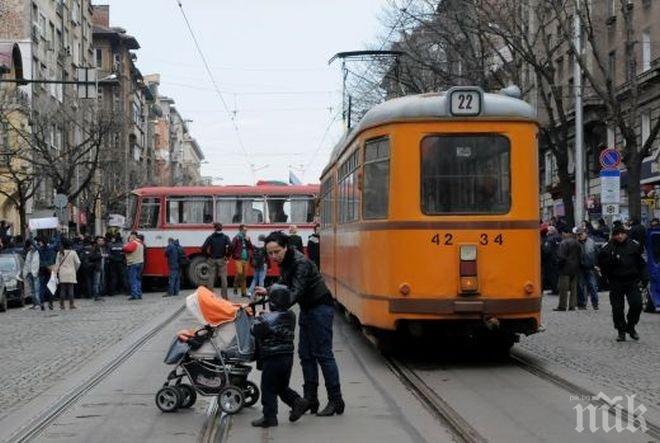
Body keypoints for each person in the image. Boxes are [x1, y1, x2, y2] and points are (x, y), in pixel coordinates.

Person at [255, 231, 344, 417]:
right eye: (269, 253)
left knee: (323, 354)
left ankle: (336, 400)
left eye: (276, 252)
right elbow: (283, 283)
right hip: (308, 309)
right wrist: (269, 290)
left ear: (286, 247)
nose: (273, 256)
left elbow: (294, 292)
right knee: (306, 355)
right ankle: (310, 398)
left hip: (320, 308)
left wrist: (272, 310)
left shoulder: (300, 263)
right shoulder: (286, 262)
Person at [250, 284, 310, 428]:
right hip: (287, 357)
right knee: (281, 386)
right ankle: (297, 401)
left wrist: (257, 318)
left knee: (268, 387)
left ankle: (269, 417)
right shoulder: (291, 315)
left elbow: (255, 331)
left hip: (272, 357)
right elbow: (277, 321)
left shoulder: (266, 320)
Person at [598, 225, 648, 341]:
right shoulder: (608, 247)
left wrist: (645, 277)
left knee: (637, 304)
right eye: (617, 234)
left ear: (626, 234)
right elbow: (601, 264)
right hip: (615, 281)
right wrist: (612, 261)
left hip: (631, 281)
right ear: (613, 235)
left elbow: (642, 264)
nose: (620, 236)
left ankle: (631, 326)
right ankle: (621, 330)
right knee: (617, 309)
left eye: (622, 233)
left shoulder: (634, 245)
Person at [553, 229, 582, 311]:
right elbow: (580, 255)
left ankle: (562, 305)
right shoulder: (577, 243)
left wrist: (559, 266)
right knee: (574, 289)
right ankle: (572, 305)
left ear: (566, 233)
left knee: (563, 289)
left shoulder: (564, 243)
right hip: (575, 268)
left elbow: (560, 257)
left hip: (565, 268)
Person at [201, 223, 231, 298]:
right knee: (224, 278)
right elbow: (231, 246)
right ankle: (224, 297)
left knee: (211, 278)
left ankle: (211, 296)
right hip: (222, 259)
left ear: (214, 229)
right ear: (222, 228)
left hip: (212, 259)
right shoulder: (225, 237)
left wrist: (208, 256)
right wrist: (227, 256)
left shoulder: (211, 237)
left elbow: (203, 248)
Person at [53, 238, 81, 310]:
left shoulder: (59, 253)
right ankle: (71, 304)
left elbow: (57, 264)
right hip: (71, 272)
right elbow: (78, 262)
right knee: (71, 289)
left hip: (62, 272)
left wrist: (55, 272)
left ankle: (62, 305)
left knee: (62, 289)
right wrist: (75, 269)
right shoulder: (73, 252)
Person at [576, 228, 599, 310]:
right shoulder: (576, 243)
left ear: (585, 233)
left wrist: (596, 265)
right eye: (578, 234)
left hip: (590, 267)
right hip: (580, 268)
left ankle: (595, 303)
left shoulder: (591, 242)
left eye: (581, 234)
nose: (580, 236)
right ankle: (582, 304)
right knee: (581, 287)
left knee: (592, 286)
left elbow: (597, 253)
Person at [36, 234, 60, 310]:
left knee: (42, 287)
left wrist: (29, 232)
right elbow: (57, 242)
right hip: (50, 268)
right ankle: (50, 303)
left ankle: (42, 303)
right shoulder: (51, 248)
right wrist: (58, 232)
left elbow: (33, 243)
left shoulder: (40, 249)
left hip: (42, 268)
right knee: (51, 286)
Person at [230, 224, 253, 297]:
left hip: (246, 258)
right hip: (238, 258)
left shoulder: (247, 238)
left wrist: (248, 241)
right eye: (244, 230)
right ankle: (235, 286)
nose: (246, 231)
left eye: (246, 230)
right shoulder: (236, 238)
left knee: (244, 276)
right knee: (240, 272)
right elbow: (232, 247)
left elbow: (251, 247)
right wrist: (232, 255)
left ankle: (244, 293)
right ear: (240, 230)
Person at [123, 232, 144, 300]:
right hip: (140, 263)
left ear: (133, 237)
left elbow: (128, 249)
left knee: (133, 280)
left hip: (133, 263)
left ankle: (134, 295)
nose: (129, 239)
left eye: (130, 238)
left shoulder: (134, 243)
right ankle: (139, 293)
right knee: (138, 280)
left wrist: (124, 246)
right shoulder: (140, 243)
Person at [541, 225, 562, 294]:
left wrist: (543, 257)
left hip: (550, 260)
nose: (548, 232)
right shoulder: (559, 237)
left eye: (549, 230)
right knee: (556, 275)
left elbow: (547, 250)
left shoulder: (549, 239)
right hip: (557, 258)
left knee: (552, 276)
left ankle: (555, 290)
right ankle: (556, 289)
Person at [89, 236, 109, 301]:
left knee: (101, 282)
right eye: (99, 240)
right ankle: (96, 295)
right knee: (96, 282)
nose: (101, 242)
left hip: (102, 267)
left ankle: (100, 294)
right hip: (97, 267)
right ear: (97, 241)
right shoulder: (94, 248)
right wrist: (100, 256)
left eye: (102, 240)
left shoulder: (103, 248)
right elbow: (91, 257)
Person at [23, 240, 41, 310]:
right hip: (30, 273)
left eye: (31, 246)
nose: (30, 248)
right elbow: (26, 263)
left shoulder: (38, 252)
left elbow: (38, 263)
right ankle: (35, 304)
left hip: (36, 273)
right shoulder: (29, 253)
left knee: (37, 289)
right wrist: (25, 273)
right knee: (32, 290)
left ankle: (38, 303)